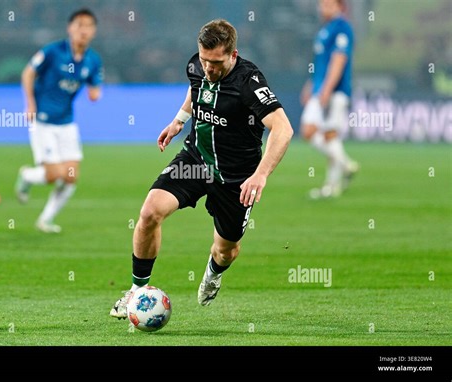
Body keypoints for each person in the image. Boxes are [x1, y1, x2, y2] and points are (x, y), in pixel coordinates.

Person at [110, 19, 293, 319]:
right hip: (196, 161)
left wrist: (260, 174)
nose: (208, 68)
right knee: (149, 213)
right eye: (205, 60)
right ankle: (136, 292)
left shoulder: (249, 83)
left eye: (217, 62)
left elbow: (283, 129)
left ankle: (213, 271)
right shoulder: (197, 66)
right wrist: (179, 120)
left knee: (226, 250)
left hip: (236, 178)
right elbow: (196, 90)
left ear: (233, 55)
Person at [15, 8, 103, 233]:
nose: (84, 30)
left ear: (94, 31)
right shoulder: (53, 51)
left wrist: (95, 91)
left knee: (71, 177)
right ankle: (26, 175)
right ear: (70, 28)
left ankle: (45, 219)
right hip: (43, 120)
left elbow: (94, 86)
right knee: (54, 175)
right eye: (79, 25)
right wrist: (30, 104)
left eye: (88, 26)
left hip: (66, 122)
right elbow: (28, 73)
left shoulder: (93, 60)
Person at [300, 0, 359, 199]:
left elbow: (339, 59)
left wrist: (326, 89)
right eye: (322, 4)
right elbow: (321, 63)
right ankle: (334, 184)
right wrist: (311, 84)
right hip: (322, 88)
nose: (323, 8)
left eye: (328, 4)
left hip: (335, 91)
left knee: (310, 131)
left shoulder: (342, 27)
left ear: (340, 7)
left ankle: (344, 166)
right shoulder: (326, 29)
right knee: (329, 136)